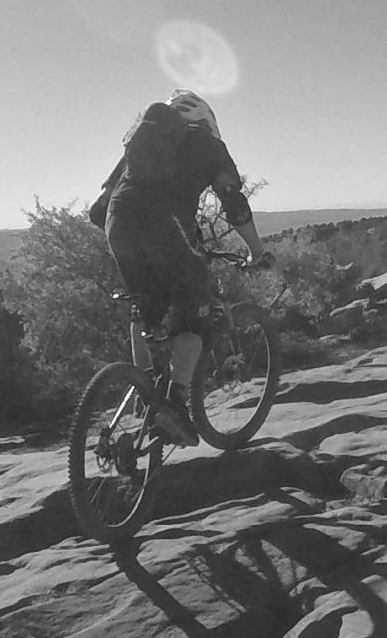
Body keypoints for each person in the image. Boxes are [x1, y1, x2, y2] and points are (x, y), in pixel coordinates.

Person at [96, 90, 267, 444]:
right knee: (199, 318)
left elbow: (99, 210)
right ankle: (173, 404)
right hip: (165, 224)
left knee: (143, 310)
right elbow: (233, 203)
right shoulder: (208, 145)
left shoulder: (139, 149)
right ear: (206, 121)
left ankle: (146, 395)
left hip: (118, 223)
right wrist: (257, 250)